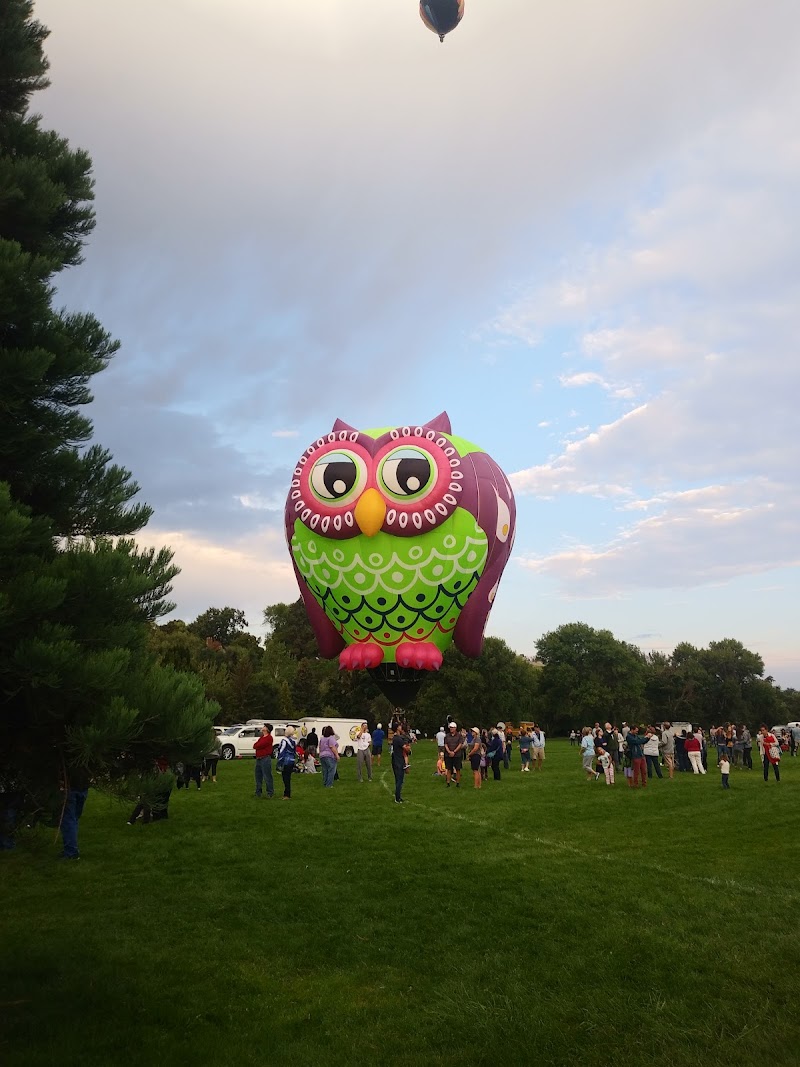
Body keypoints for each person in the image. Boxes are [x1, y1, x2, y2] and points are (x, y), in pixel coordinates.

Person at [59, 764, 90, 860]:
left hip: (71, 786)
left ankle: (71, 851)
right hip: (82, 785)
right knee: (74, 818)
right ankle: (71, 847)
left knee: (69, 820)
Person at [392, 721, 411, 803]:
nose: (401, 727)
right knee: (400, 780)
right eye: (399, 726)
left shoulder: (395, 737)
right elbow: (406, 749)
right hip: (399, 760)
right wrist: (408, 747)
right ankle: (397, 798)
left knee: (398, 779)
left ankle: (398, 796)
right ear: (397, 728)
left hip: (395, 760)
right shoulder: (398, 739)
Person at [276, 726, 298, 799]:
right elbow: (295, 751)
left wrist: (279, 760)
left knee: (285, 778)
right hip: (291, 760)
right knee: (288, 777)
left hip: (285, 761)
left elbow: (281, 750)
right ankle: (287, 794)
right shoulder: (294, 741)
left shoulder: (284, 740)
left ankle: (287, 795)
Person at [253, 725, 274, 799]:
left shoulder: (269, 738)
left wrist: (257, 746)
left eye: (264, 726)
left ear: (267, 729)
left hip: (265, 759)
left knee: (267, 776)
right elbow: (255, 745)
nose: (263, 727)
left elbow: (259, 745)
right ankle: (258, 792)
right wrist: (257, 746)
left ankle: (270, 792)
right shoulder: (262, 737)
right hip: (258, 759)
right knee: (258, 776)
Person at [443, 721, 465, 787]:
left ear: (455, 728)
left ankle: (457, 782)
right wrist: (449, 752)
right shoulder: (447, 736)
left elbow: (460, 744)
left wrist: (454, 752)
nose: (451, 729)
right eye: (450, 727)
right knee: (449, 769)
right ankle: (448, 782)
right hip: (448, 755)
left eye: (452, 727)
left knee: (458, 769)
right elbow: (445, 744)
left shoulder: (459, 736)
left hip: (457, 755)